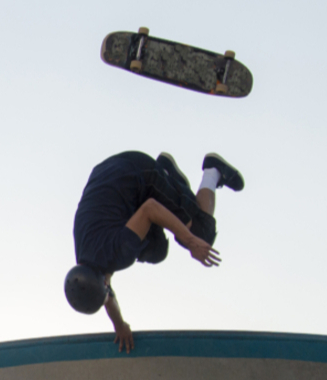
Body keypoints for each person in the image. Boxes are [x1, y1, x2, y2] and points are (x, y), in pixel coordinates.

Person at [65, 150, 244, 352]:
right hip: (113, 174)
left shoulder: (119, 251)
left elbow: (150, 208)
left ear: (104, 283)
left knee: (200, 232)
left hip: (142, 174)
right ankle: (169, 177)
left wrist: (191, 241)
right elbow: (107, 296)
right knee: (157, 251)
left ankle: (213, 170)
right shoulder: (84, 257)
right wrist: (120, 326)